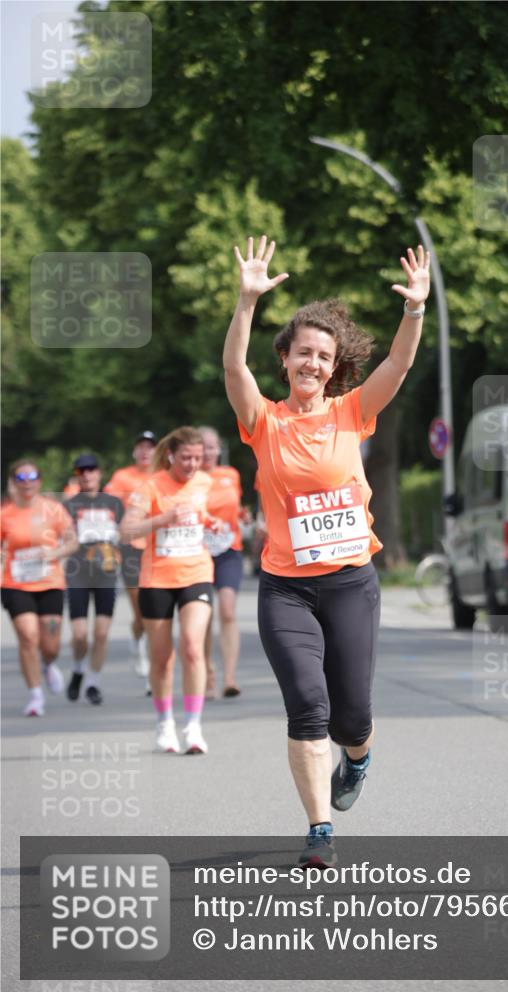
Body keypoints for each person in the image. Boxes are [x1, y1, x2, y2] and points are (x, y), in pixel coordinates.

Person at [223, 235, 430, 866]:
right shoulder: (263, 420)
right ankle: (319, 829)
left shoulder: (351, 414)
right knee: (308, 707)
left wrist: (415, 309)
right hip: (285, 586)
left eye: (323, 355)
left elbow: (396, 365)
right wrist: (246, 302)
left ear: (333, 367)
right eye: (302, 352)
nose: (312, 362)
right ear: (284, 359)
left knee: (353, 717)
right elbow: (234, 371)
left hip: (348, 581)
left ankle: (358, 759)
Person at [119, 426, 221, 754]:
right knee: (162, 658)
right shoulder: (149, 487)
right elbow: (126, 531)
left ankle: (193, 726)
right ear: (171, 456)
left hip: (197, 572)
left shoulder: (205, 481)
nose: (193, 464)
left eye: (198, 458)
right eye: (186, 458)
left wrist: (211, 523)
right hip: (157, 578)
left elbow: (200, 513)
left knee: (192, 645)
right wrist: (163, 518)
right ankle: (165, 723)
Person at [1, 459, 78, 716]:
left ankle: (48, 664)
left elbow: (72, 542)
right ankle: (35, 695)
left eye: (32, 476)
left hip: (50, 583)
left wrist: (54, 552)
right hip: (16, 584)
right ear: (13, 483)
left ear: (39, 481)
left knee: (50, 643)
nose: (27, 482)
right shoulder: (5, 515)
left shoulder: (53, 510)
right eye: (21, 478)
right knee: (27, 637)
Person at [63, 454, 124, 706]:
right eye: (82, 471)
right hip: (78, 571)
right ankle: (78, 669)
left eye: (91, 470)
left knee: (100, 633)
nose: (87, 474)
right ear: (77, 475)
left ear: (100, 473)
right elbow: (62, 537)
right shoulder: (68, 505)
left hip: (105, 573)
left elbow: (126, 533)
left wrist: (120, 552)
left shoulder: (114, 503)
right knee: (80, 635)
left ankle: (93, 682)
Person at [104, 431, 156, 678]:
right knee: (140, 610)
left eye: (150, 446)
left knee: (155, 607)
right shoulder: (122, 477)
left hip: (159, 549)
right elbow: (108, 509)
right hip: (131, 548)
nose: (145, 451)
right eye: (141, 446)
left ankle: (152, 655)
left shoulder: (164, 476)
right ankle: (138, 641)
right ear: (134, 451)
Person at [199, 426, 245, 699]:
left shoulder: (231, 475)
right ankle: (207, 673)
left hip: (229, 549)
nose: (207, 452)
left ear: (219, 449)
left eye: (212, 446)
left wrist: (243, 516)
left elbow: (235, 508)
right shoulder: (189, 480)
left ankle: (229, 677)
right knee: (203, 615)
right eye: (202, 447)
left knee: (227, 611)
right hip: (198, 552)